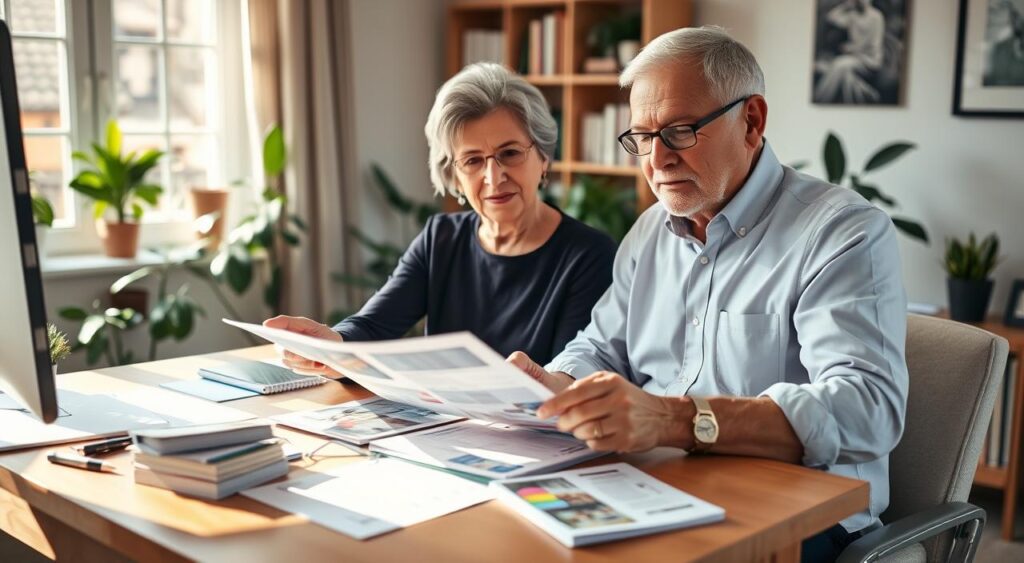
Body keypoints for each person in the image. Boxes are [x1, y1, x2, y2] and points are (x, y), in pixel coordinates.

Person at [507, 26, 908, 562]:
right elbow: (602, 348)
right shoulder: (651, 230)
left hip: (798, 516)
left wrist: (673, 419)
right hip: (660, 488)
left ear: (752, 121)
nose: (657, 160)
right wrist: (557, 384)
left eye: (679, 131)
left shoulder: (842, 232)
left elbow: (869, 409)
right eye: (643, 138)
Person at [265, 63, 616, 374]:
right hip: (442, 432)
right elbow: (374, 326)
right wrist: (332, 345)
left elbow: (569, 377)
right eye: (473, 161)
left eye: (509, 153)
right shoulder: (441, 238)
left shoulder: (589, 255)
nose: (493, 177)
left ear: (543, 157)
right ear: (454, 176)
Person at [813, 0, 886, 104]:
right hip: (853, 58)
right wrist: (844, 6)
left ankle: (820, 100)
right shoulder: (852, 15)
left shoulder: (876, 17)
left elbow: (874, 45)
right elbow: (831, 18)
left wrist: (853, 49)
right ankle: (867, 94)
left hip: (870, 60)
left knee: (839, 64)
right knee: (846, 76)